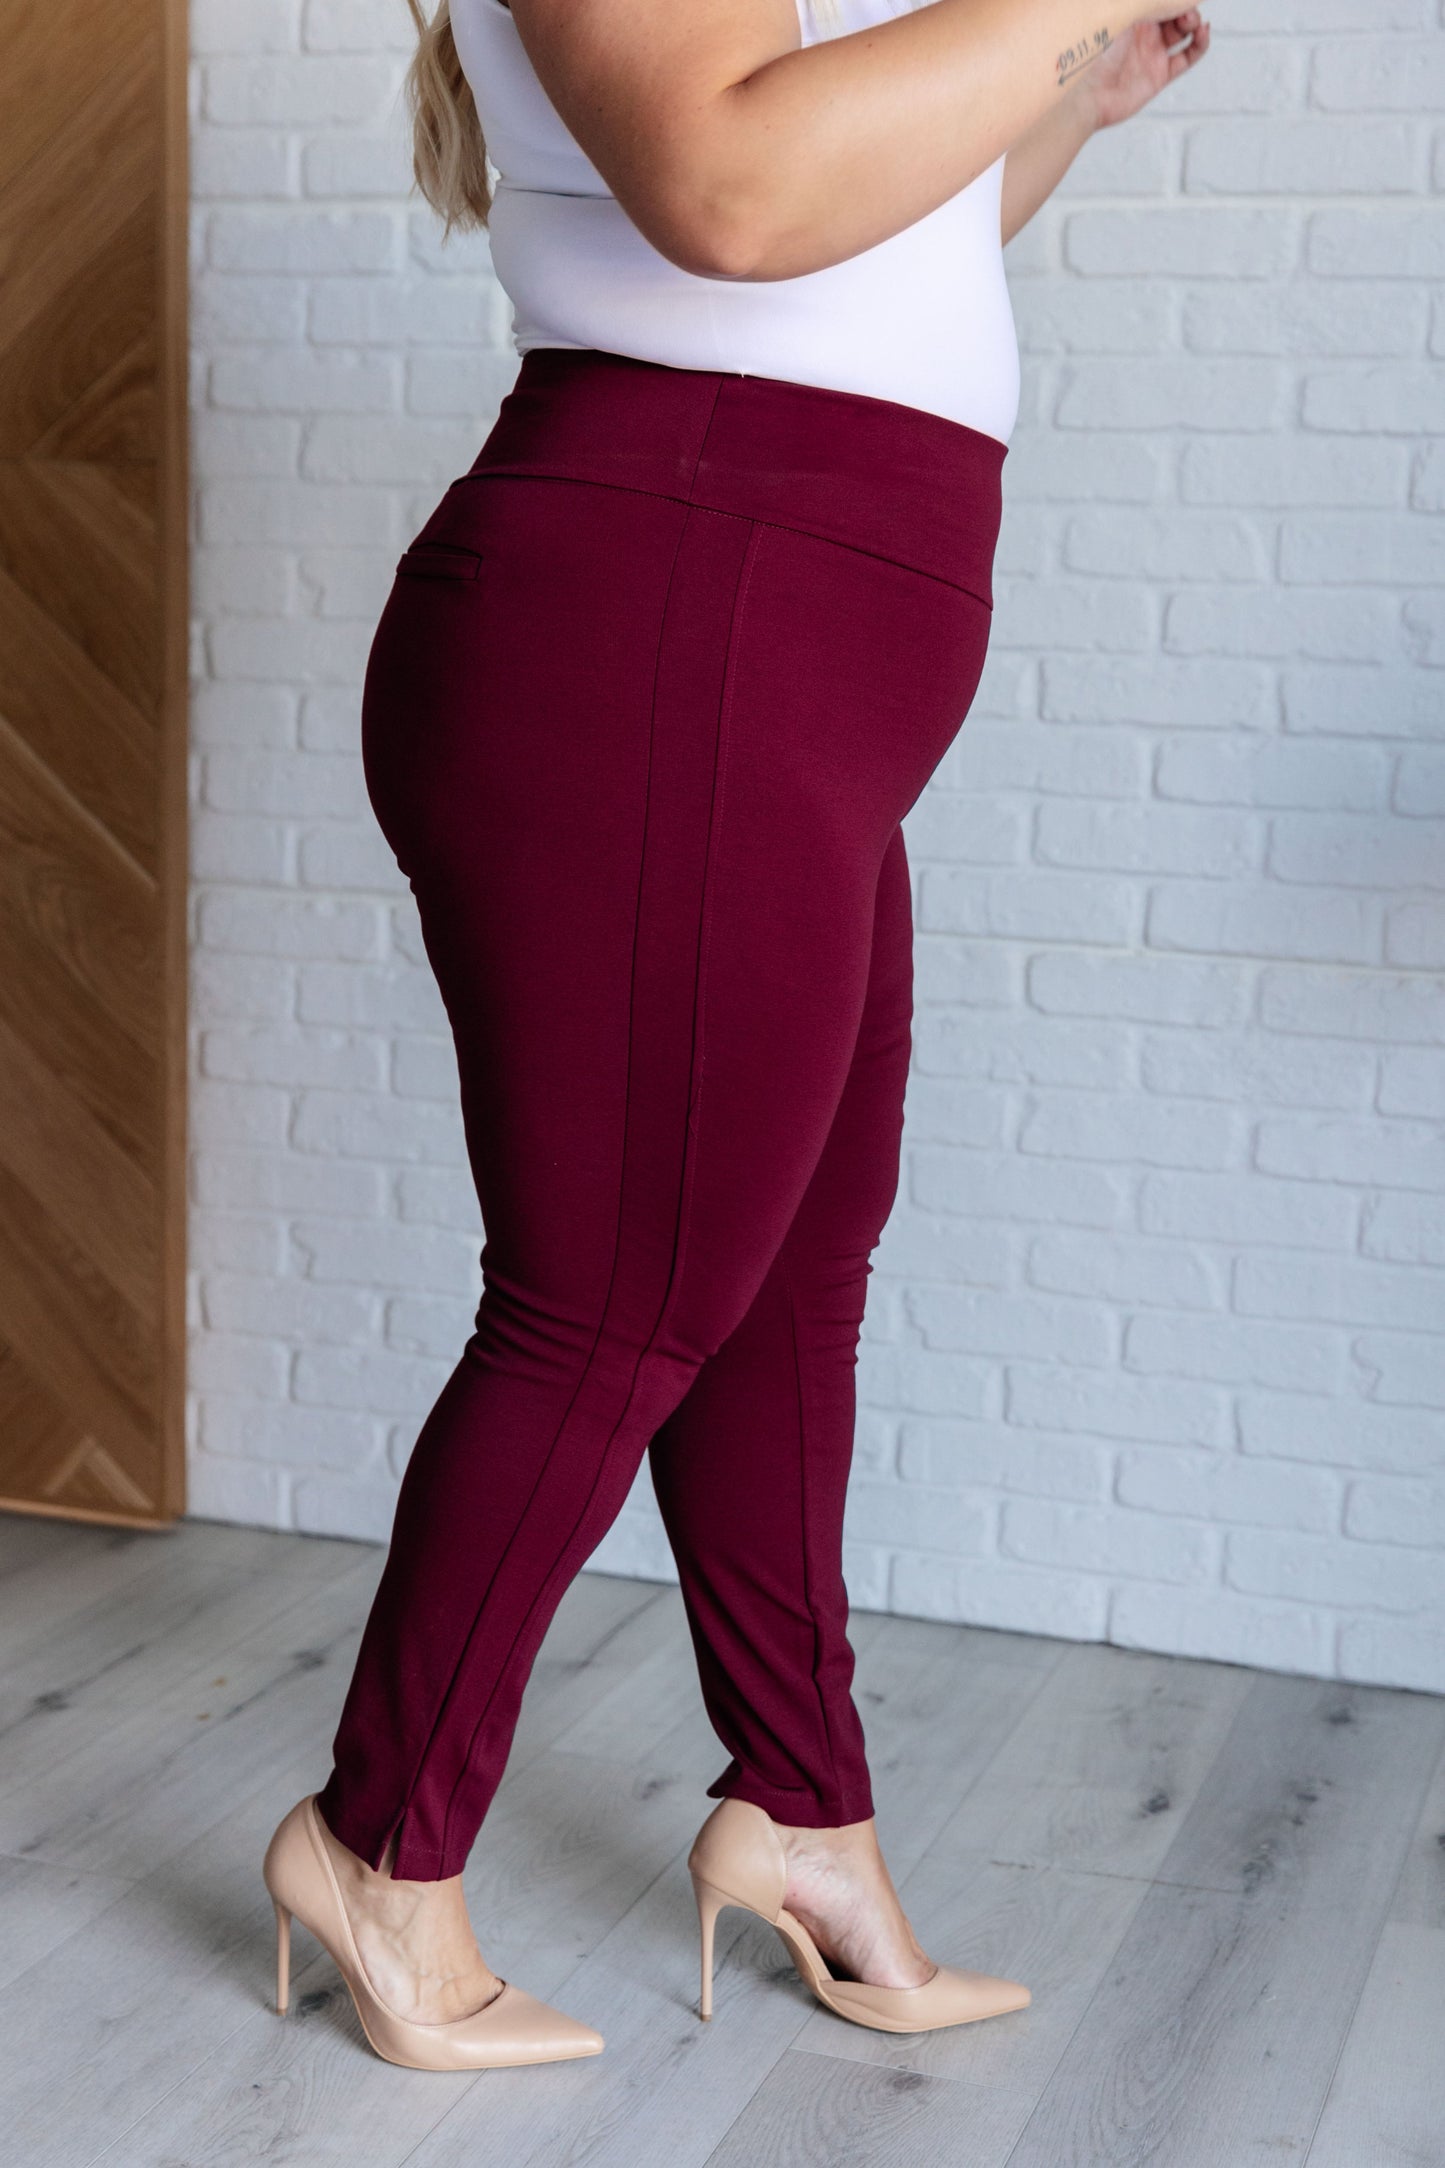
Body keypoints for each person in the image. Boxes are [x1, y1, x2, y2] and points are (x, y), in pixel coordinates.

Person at [262, 0, 1211, 2073]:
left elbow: (867, 242)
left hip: (780, 655)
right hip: (674, 614)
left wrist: (1075, 97)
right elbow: (730, 190)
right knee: (611, 1298)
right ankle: (375, 1843)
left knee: (785, 1281)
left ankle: (804, 1818)